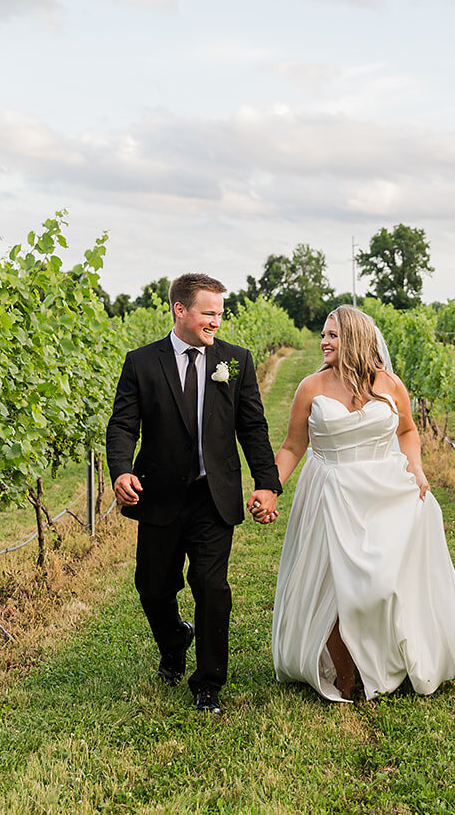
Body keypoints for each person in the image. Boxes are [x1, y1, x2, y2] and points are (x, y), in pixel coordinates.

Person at [268, 305, 455, 702]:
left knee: (381, 585)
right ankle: (346, 676)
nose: (324, 341)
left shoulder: (389, 385)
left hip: (385, 491)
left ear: (355, 338)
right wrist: (271, 488)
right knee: (338, 590)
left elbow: (407, 431)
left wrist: (418, 470)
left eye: (332, 335)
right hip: (331, 489)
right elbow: (292, 445)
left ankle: (388, 656)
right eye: (324, 334)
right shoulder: (311, 387)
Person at [105, 273, 282, 715]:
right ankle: (173, 641)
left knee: (210, 586)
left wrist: (266, 483)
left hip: (212, 496)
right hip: (159, 495)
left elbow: (253, 428)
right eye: (208, 312)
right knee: (152, 586)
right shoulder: (142, 363)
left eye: (220, 314)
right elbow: (124, 425)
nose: (216, 322)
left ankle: (208, 685)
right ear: (180, 310)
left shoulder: (235, 361)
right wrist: (121, 472)